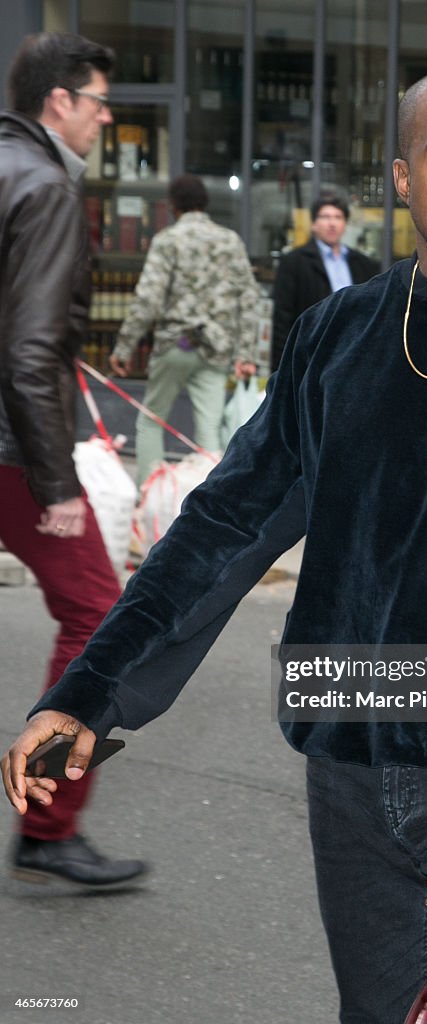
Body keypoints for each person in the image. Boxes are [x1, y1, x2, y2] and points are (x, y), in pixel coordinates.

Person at [2, 65, 427, 1023]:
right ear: (401, 179)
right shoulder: (333, 336)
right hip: (346, 755)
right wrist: (90, 691)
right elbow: (222, 527)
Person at [0, 32, 146, 887]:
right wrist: (57, 485)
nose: (104, 116)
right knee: (100, 617)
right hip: (16, 450)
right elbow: (26, 354)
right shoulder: (48, 187)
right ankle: (49, 827)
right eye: (97, 100)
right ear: (60, 101)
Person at [109, 173, 260, 487]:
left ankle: (150, 494)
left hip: (174, 343)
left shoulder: (168, 240)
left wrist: (124, 347)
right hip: (215, 347)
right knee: (209, 431)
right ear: (204, 203)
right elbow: (248, 297)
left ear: (173, 205)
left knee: (152, 420)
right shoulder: (230, 240)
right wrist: (246, 353)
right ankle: (207, 504)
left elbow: (148, 297)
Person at [270, 195, 379, 371]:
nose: (332, 223)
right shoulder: (295, 262)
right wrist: (281, 369)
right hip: (312, 353)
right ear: (314, 224)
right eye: (325, 217)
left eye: (338, 217)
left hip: (355, 353)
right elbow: (282, 318)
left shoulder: (362, 264)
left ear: (345, 224)